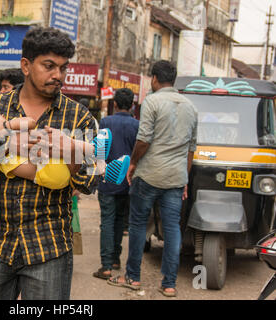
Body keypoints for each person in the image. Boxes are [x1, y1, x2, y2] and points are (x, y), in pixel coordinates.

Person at [0, 26, 100, 300]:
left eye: (63, 68)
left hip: (48, 247)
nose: (57, 75)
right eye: (49, 66)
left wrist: (70, 150)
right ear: (26, 65)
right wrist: (6, 144)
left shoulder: (78, 117)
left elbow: (89, 183)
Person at [107, 60, 198, 298]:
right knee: (172, 229)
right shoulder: (190, 106)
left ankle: (133, 278)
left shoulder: (152, 102)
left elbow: (144, 138)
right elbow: (191, 149)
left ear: (155, 79)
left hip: (148, 175)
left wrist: (134, 163)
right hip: (175, 178)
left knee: (137, 225)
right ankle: (169, 284)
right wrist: (184, 178)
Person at [0, 107, 120, 190]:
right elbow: (29, 171)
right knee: (49, 137)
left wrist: (8, 126)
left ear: (2, 115)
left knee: (58, 137)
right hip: (49, 173)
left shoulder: (13, 125)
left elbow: (31, 122)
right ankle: (93, 149)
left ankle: (107, 171)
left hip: (55, 168)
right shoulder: (1, 158)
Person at [93, 88, 139, 280]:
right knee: (120, 220)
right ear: (132, 106)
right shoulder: (137, 125)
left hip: (108, 179)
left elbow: (100, 151)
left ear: (116, 104)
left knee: (107, 221)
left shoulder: (106, 122)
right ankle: (115, 259)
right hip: (127, 180)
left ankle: (105, 266)